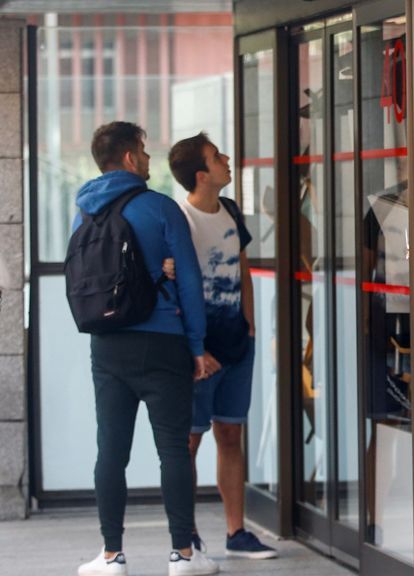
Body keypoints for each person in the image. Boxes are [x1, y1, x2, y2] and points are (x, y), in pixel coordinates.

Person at [74, 122, 219, 576]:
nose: (150, 159)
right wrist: (197, 345)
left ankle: (111, 556)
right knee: (174, 449)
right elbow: (191, 282)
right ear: (131, 158)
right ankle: (183, 555)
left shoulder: (83, 209)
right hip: (164, 343)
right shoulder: (160, 208)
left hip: (107, 344)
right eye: (144, 150)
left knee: (110, 451)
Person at [167, 132, 277, 560]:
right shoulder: (180, 219)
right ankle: (187, 533)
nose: (226, 160)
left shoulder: (229, 210)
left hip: (236, 343)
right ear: (201, 175)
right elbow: (172, 289)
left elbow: (243, 268)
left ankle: (237, 532)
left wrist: (249, 325)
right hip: (199, 351)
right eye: (217, 157)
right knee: (190, 442)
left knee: (230, 434)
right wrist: (195, 348)